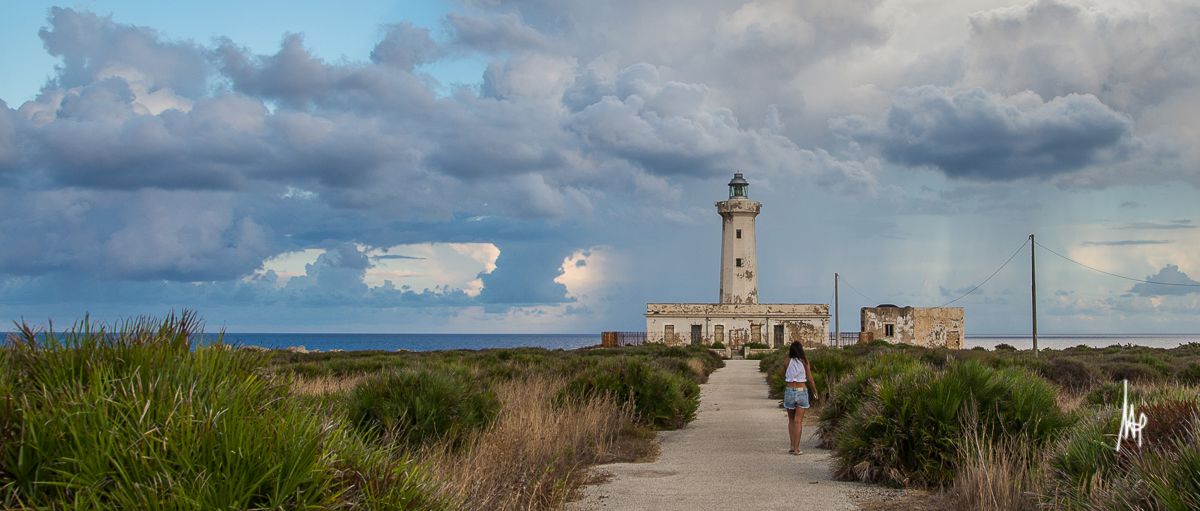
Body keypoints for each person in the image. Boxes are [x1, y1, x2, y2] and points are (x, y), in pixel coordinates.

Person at [781, 341, 814, 455]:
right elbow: (809, 378)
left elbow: (785, 374)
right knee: (798, 421)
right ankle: (797, 448)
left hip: (790, 390)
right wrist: (815, 391)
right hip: (801, 390)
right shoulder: (804, 361)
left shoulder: (786, 361)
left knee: (791, 420)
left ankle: (791, 445)